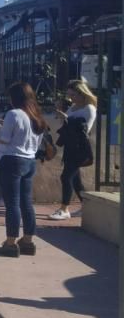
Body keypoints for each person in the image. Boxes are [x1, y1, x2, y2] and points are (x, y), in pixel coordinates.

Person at [0, 82, 46, 257]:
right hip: (29, 161)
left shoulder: (13, 114)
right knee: (26, 202)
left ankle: (10, 243)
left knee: (12, 204)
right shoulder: (37, 116)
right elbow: (38, 143)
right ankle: (28, 241)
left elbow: (5, 139)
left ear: (14, 98)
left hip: (11, 160)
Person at [50, 80, 98, 221]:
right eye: (69, 95)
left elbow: (84, 129)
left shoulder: (89, 108)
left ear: (81, 93)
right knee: (75, 179)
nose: (71, 98)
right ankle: (85, 206)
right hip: (70, 146)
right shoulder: (73, 107)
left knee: (66, 177)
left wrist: (67, 118)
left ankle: (64, 209)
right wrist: (63, 116)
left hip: (80, 147)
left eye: (73, 94)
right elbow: (66, 126)